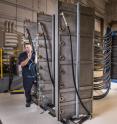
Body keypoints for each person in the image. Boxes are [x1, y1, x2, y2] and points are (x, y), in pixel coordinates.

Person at [18, 43, 36, 107]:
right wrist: (28, 58)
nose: (27, 48)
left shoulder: (35, 54)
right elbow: (22, 64)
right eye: (26, 47)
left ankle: (36, 99)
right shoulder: (22, 55)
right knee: (27, 89)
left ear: (31, 47)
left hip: (35, 74)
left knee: (37, 88)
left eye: (28, 47)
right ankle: (28, 101)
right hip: (27, 75)